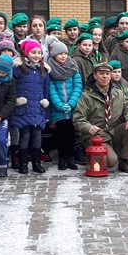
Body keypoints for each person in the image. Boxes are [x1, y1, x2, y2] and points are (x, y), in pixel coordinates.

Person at [73, 62, 128, 173]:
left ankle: (124, 161)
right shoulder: (86, 96)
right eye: (101, 73)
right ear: (95, 76)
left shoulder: (118, 93)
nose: (105, 76)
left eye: (107, 73)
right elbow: (78, 118)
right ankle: (93, 155)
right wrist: (87, 127)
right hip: (96, 134)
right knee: (111, 161)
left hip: (113, 131)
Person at [10, 39, 50, 174]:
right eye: (34, 52)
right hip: (24, 109)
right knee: (25, 136)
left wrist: (46, 103)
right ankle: (23, 163)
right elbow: (12, 88)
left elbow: (46, 90)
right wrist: (16, 101)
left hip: (38, 109)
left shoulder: (43, 70)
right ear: (26, 53)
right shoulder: (18, 70)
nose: (37, 55)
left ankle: (36, 163)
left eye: (39, 53)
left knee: (37, 136)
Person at [47, 41, 82, 170]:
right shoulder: (50, 69)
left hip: (72, 108)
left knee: (71, 134)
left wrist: (72, 103)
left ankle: (70, 158)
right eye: (60, 53)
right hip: (58, 110)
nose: (63, 56)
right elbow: (50, 89)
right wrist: (60, 105)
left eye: (65, 53)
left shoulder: (72, 67)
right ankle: (61, 158)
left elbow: (78, 86)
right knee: (61, 134)